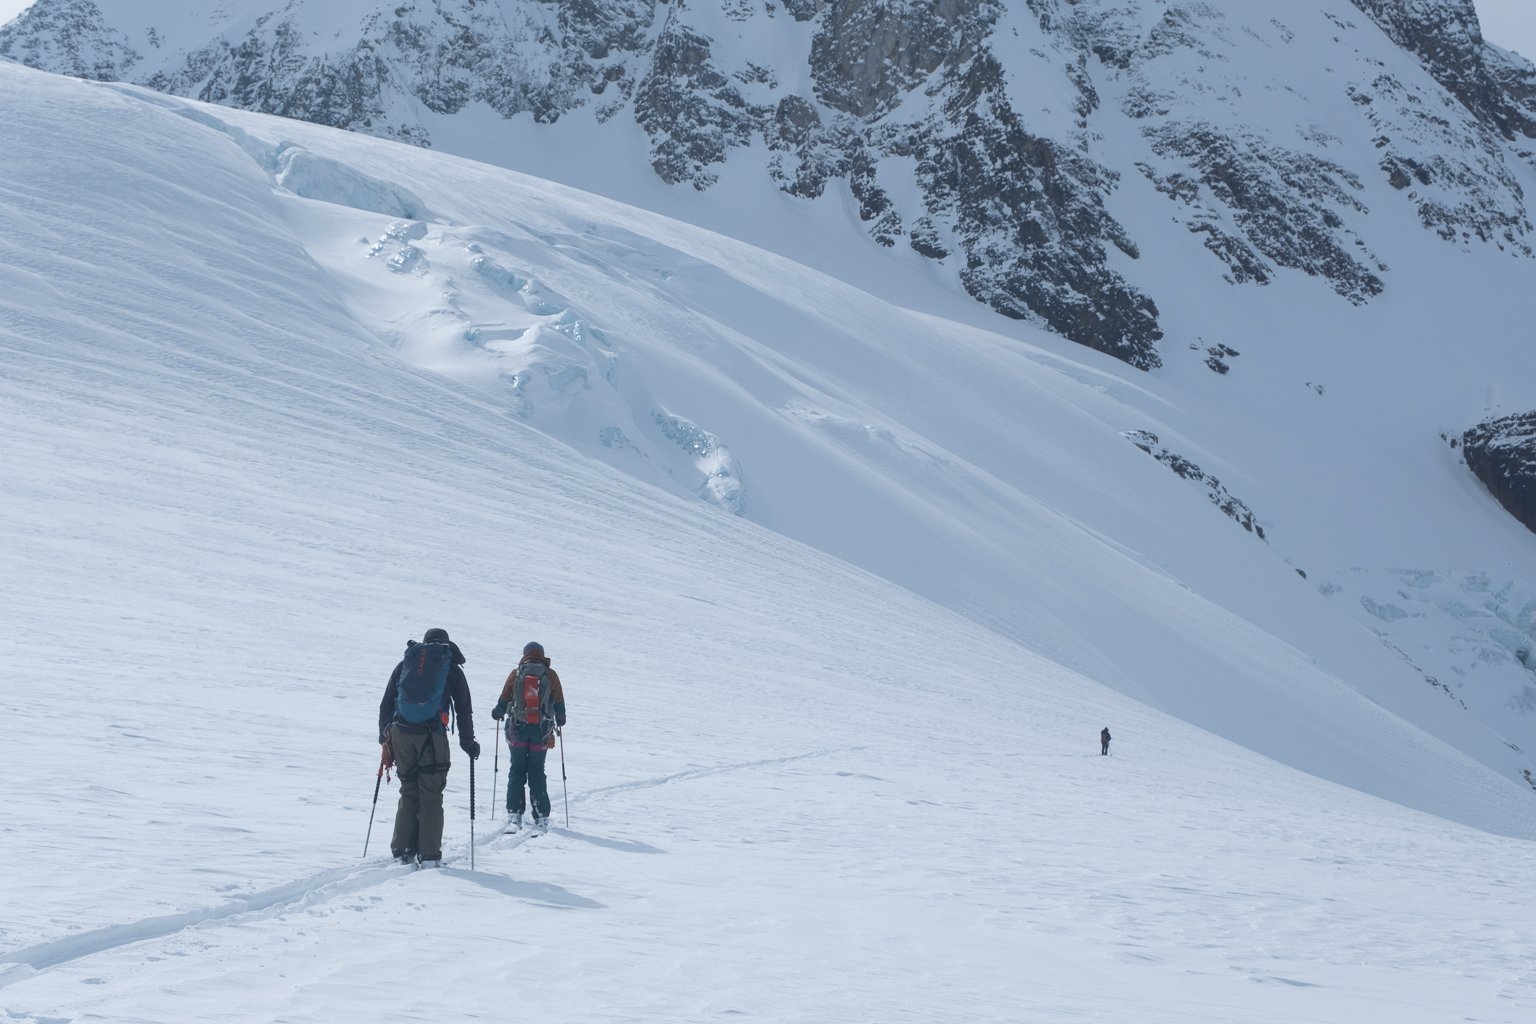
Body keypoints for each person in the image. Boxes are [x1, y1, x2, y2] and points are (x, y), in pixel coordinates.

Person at [378, 627, 480, 865]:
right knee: (431, 795)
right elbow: (464, 709)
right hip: (432, 736)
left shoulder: (405, 664)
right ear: (446, 646)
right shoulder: (451, 670)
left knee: (409, 789)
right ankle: (429, 854)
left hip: (400, 733)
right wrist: (468, 742)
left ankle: (402, 849)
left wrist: (385, 736)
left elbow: (386, 703)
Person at [492, 641, 567, 834]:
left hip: (517, 730)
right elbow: (559, 701)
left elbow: (504, 699)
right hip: (541, 731)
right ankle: (541, 817)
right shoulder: (550, 675)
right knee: (536, 770)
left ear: (525, 654)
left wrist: (498, 712)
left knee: (516, 769)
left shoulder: (516, 674)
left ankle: (514, 815)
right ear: (542, 655)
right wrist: (560, 718)